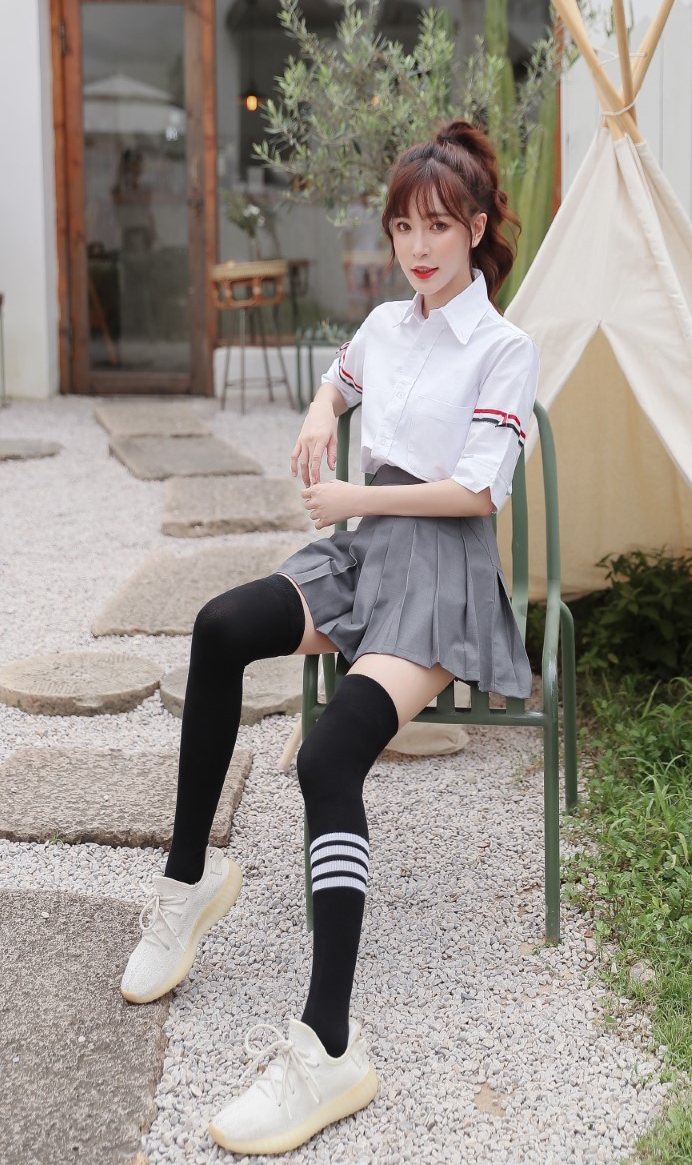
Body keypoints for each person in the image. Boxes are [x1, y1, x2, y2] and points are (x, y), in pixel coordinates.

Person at [119, 118, 540, 1156]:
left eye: (438, 225)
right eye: (402, 226)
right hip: (362, 556)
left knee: (327, 757)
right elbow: (345, 378)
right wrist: (318, 409)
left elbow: (477, 491)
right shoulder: (387, 327)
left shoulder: (503, 347)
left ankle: (329, 1048)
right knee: (220, 626)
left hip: (438, 576)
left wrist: (353, 491)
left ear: (475, 229)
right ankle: (188, 882)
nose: (417, 246)